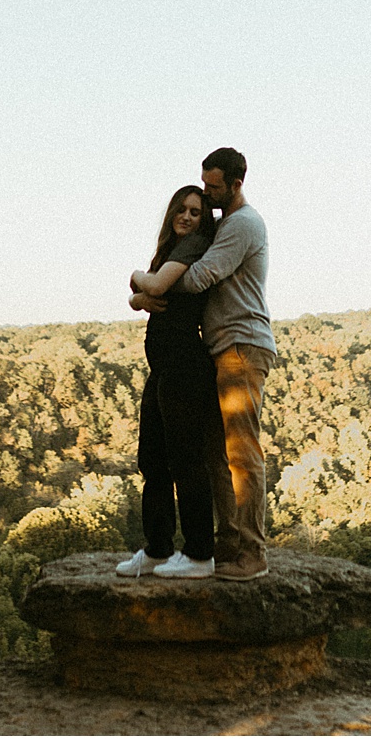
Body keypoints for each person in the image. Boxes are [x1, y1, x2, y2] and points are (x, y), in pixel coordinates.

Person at [133, 147, 273, 582]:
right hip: (218, 349)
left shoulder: (243, 225)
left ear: (236, 184)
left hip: (241, 344)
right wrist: (143, 295)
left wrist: (141, 287)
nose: (209, 194)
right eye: (204, 184)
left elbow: (196, 278)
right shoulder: (226, 224)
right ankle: (226, 543)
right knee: (217, 455)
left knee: (241, 454)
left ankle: (253, 553)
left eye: (215, 188)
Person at [114, 186, 229, 580]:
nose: (187, 217)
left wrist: (134, 279)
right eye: (182, 209)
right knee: (153, 460)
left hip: (185, 368)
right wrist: (137, 298)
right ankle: (158, 549)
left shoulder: (194, 245)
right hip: (163, 369)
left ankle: (199, 554)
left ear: (203, 222)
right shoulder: (170, 250)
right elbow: (149, 293)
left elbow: (157, 287)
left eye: (196, 212)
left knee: (186, 462)